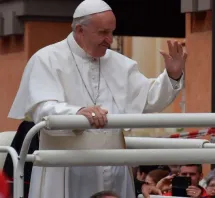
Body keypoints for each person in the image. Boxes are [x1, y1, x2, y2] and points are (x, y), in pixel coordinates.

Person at [8, 0, 187, 198]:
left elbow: (148, 99)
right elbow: (43, 108)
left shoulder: (120, 63)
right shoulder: (47, 59)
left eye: (112, 32)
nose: (110, 40)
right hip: (67, 169)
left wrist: (172, 75)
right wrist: (77, 113)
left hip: (114, 168)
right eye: (103, 33)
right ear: (79, 30)